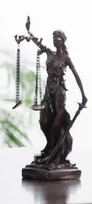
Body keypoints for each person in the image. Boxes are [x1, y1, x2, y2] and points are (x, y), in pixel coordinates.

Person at [30, 30, 87, 166]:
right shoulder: (50, 53)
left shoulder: (66, 58)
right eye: (53, 37)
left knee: (57, 122)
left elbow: (76, 76)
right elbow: (39, 43)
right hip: (48, 91)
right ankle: (49, 145)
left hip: (59, 91)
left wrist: (83, 94)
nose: (55, 39)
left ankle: (55, 153)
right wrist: (29, 33)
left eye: (58, 38)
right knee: (43, 121)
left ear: (63, 40)